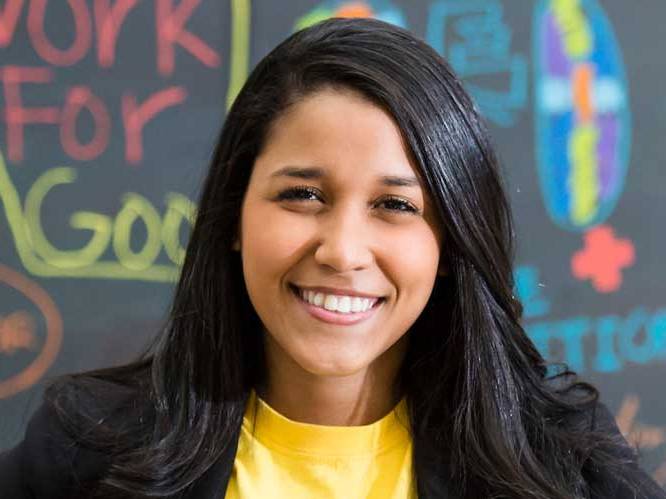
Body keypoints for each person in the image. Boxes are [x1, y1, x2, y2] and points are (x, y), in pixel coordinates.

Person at [0, 17, 664, 499]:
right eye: (303, 194)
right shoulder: (84, 451)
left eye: (395, 205)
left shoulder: (565, 462)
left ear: (450, 241)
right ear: (234, 214)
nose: (342, 250)